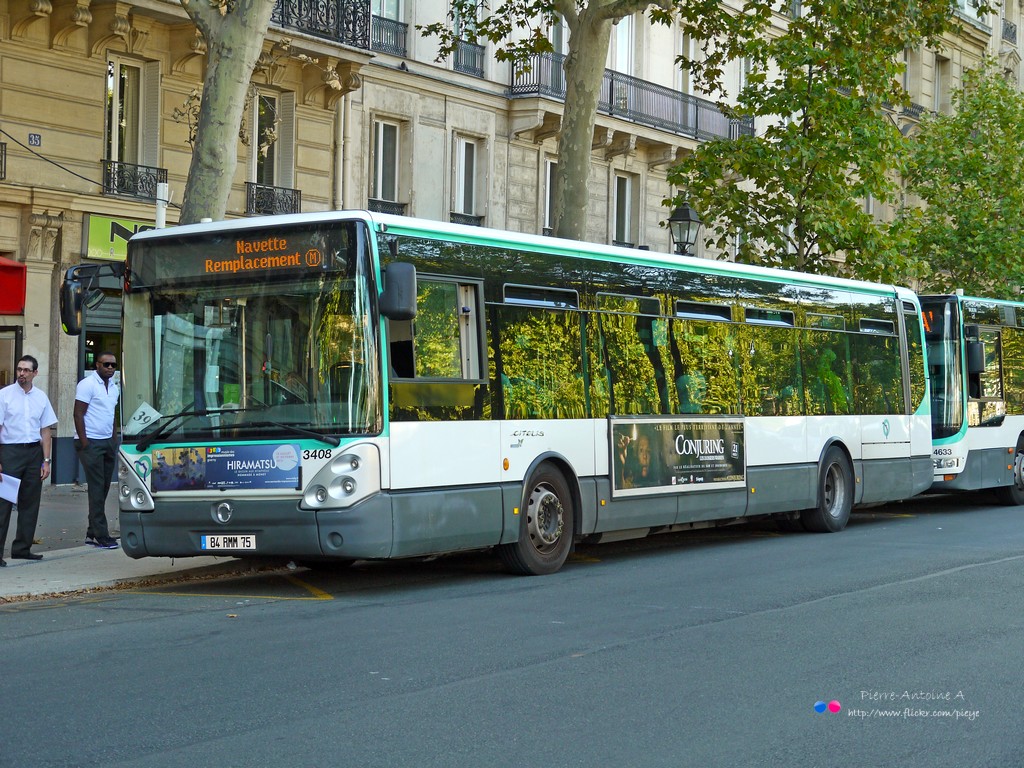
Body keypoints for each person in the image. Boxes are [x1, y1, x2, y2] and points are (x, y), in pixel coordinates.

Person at [0, 355, 58, 566]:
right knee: (3, 504)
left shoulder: (41, 397)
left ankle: (22, 549)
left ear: (35, 373)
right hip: (9, 453)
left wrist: (46, 461)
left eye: (26, 370)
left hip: (34, 453)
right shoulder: (4, 395)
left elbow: (46, 431)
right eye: (19, 369)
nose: (22, 373)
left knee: (30, 503)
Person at [74, 351, 121, 549]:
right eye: (106, 364)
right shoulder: (87, 384)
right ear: (97, 366)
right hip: (90, 442)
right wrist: (85, 443)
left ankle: (92, 533)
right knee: (96, 488)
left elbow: (111, 414)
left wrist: (113, 439)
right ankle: (102, 535)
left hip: (108, 442)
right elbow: (78, 414)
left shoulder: (115, 388)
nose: (110, 368)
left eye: (113, 365)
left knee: (103, 488)